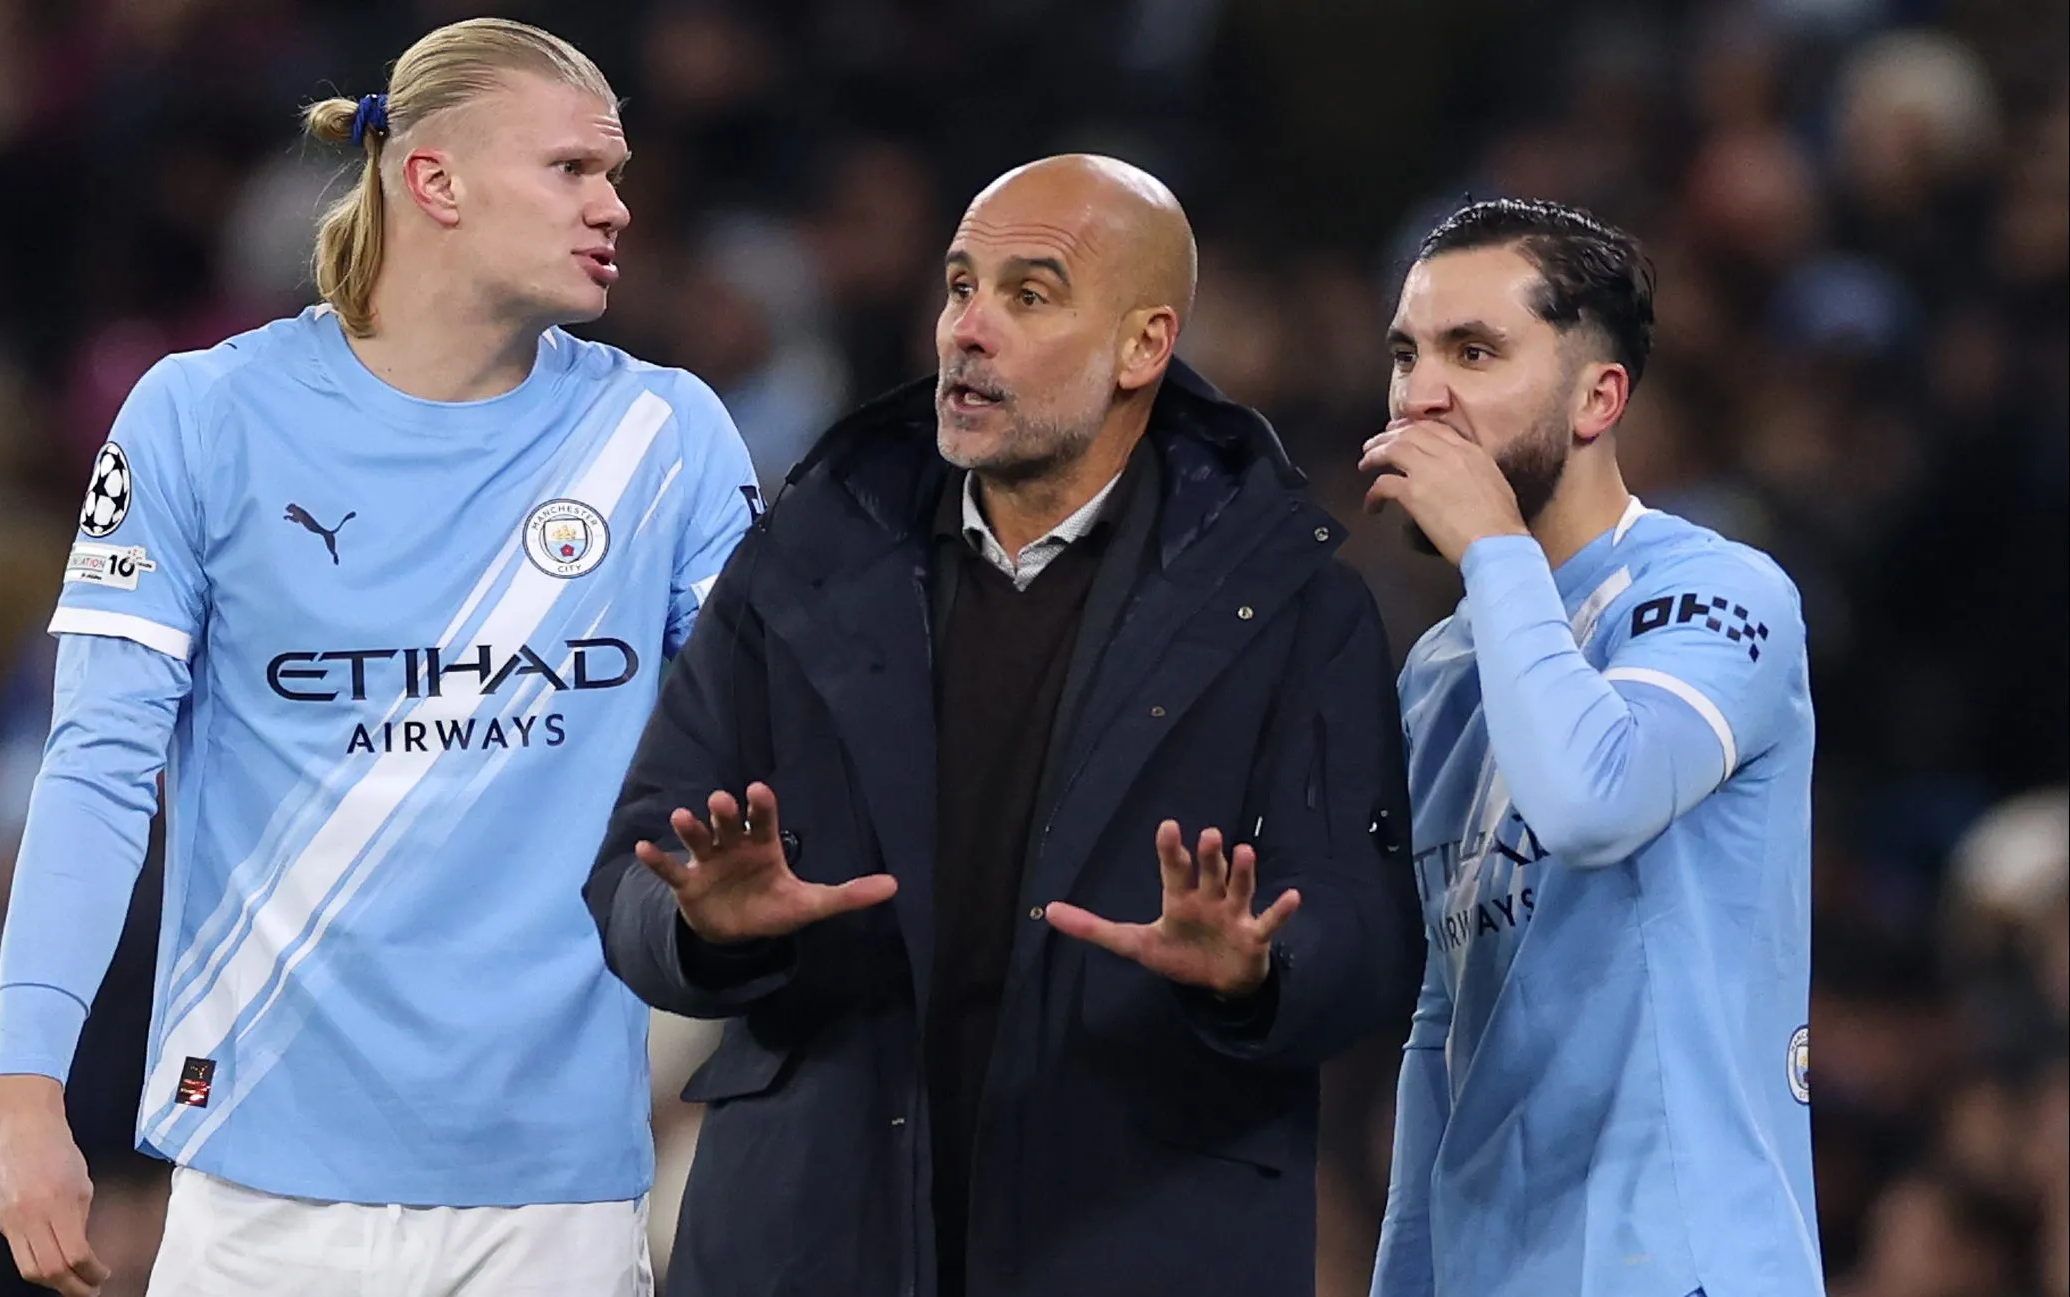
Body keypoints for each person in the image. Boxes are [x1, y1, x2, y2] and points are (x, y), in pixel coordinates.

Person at [0, 19, 759, 1297]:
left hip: (555, 1196)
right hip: (262, 1187)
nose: (616, 204)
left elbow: (774, 738)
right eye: (573, 169)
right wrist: (24, 1087)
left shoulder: (664, 434)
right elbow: (99, 767)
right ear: (434, 179)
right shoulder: (202, 417)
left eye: (615, 172)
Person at [586, 154, 1422, 1297]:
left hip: (1138, 1235)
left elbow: (1370, 935)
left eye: (1028, 295)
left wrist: (1258, 969)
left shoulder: (1286, 598)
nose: (967, 330)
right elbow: (633, 878)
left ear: (1144, 345)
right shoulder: (805, 556)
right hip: (811, 1240)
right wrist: (706, 929)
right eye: (959, 285)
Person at [1361, 198, 1821, 1297]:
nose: (1423, 394)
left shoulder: (1716, 592)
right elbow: (1445, 1020)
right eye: (1408, 355)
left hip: (1683, 1264)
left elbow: (1595, 797)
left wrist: (1495, 551)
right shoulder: (1439, 673)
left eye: (1474, 353)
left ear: (1597, 397)